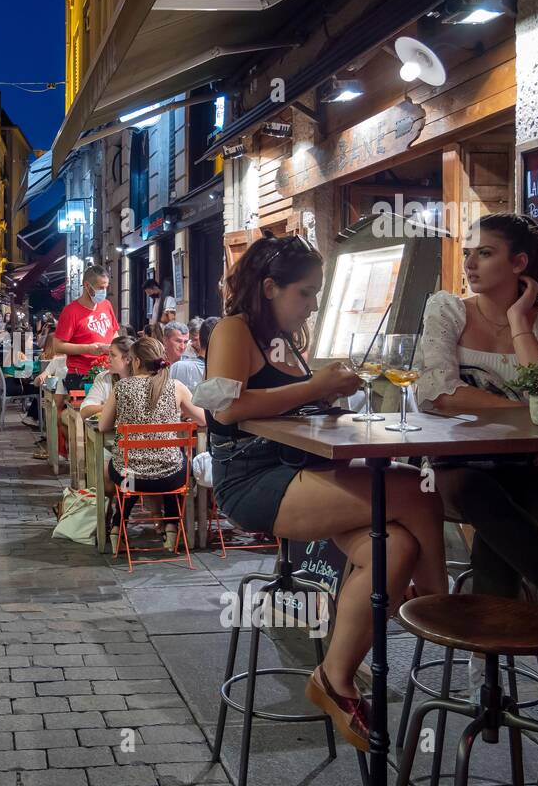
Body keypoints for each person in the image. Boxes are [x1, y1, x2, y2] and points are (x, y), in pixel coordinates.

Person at [206, 234, 448, 752]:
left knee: (395, 546)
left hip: (302, 471)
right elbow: (226, 409)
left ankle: (333, 680)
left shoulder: (287, 338)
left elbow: (287, 405)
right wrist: (318, 388)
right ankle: (439, 607)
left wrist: (330, 394)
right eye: (306, 293)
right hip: (253, 480)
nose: (313, 304)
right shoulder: (235, 329)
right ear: (269, 288)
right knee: (415, 491)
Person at [414, 213, 538, 612]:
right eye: (468, 254)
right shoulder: (448, 309)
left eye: (484, 254)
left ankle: (483, 667)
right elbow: (438, 394)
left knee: (501, 532)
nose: (469, 264)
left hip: (528, 465)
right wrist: (529, 411)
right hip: (451, 465)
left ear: (519, 263)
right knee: (481, 492)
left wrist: (518, 320)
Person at [98, 335, 207, 552]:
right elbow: (204, 419)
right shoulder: (176, 387)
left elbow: (102, 426)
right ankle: (171, 527)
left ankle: (117, 527)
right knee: (172, 463)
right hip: (170, 479)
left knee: (128, 469)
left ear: (136, 361)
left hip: (131, 478)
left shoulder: (122, 387)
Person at [54, 264, 118, 395]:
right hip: (82, 375)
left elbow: (114, 332)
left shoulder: (106, 305)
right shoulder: (70, 311)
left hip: (108, 372)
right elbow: (57, 346)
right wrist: (88, 348)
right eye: (101, 287)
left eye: (106, 287)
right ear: (87, 286)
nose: (104, 291)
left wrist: (113, 347)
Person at [160, 322, 207, 425]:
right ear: (165, 340)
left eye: (185, 342)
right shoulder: (155, 363)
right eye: (178, 341)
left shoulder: (189, 365)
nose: (182, 346)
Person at [79, 335, 133, 418]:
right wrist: (114, 407)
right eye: (108, 354)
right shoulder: (104, 378)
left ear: (128, 359)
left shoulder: (142, 380)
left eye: (113, 355)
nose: (108, 359)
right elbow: (85, 411)